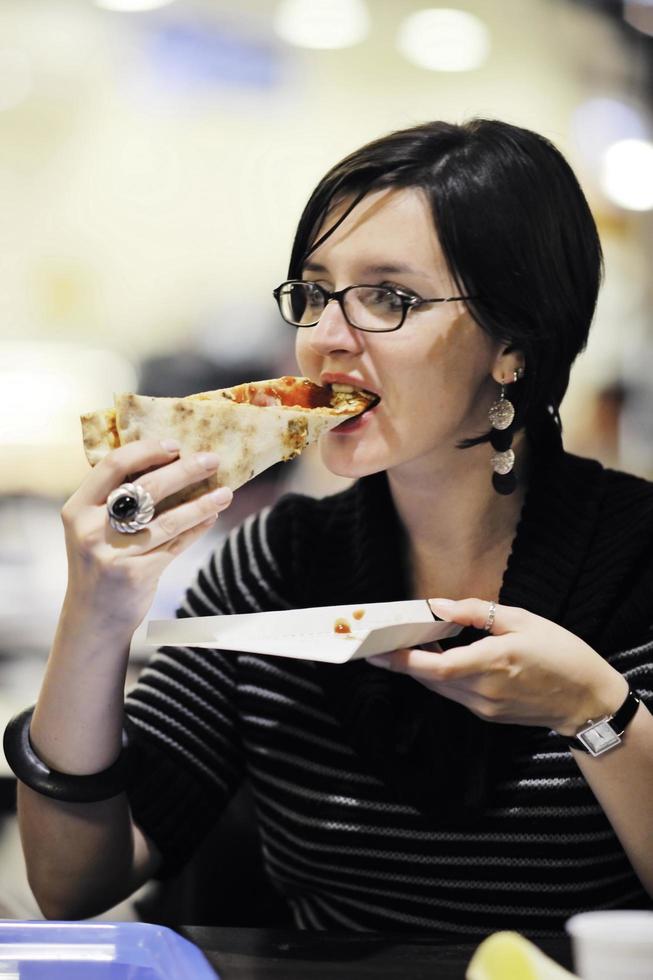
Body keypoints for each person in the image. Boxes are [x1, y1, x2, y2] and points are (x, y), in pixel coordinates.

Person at [5, 118, 653, 938]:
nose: (323, 341)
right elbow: (72, 884)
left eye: (389, 297)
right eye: (313, 295)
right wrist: (93, 614)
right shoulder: (274, 565)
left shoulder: (637, 563)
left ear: (514, 345)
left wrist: (595, 711)